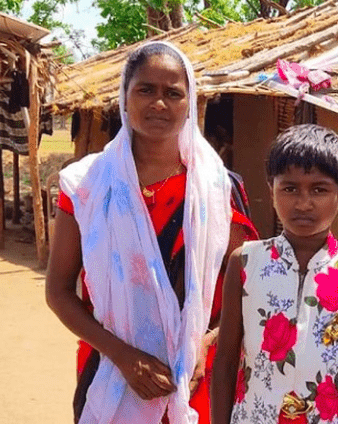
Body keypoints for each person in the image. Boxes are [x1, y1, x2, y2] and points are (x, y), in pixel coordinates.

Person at [46, 41, 239, 424]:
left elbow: (241, 285)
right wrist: (122, 356)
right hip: (107, 369)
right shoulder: (87, 186)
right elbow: (58, 292)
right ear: (125, 95)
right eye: (145, 90)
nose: (159, 104)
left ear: (190, 103)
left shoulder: (216, 189)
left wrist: (205, 343)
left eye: (173, 93)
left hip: (195, 378)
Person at [211, 124, 338, 424]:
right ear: (272, 191)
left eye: (319, 189)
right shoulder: (246, 263)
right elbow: (225, 362)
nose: (304, 203)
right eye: (290, 189)